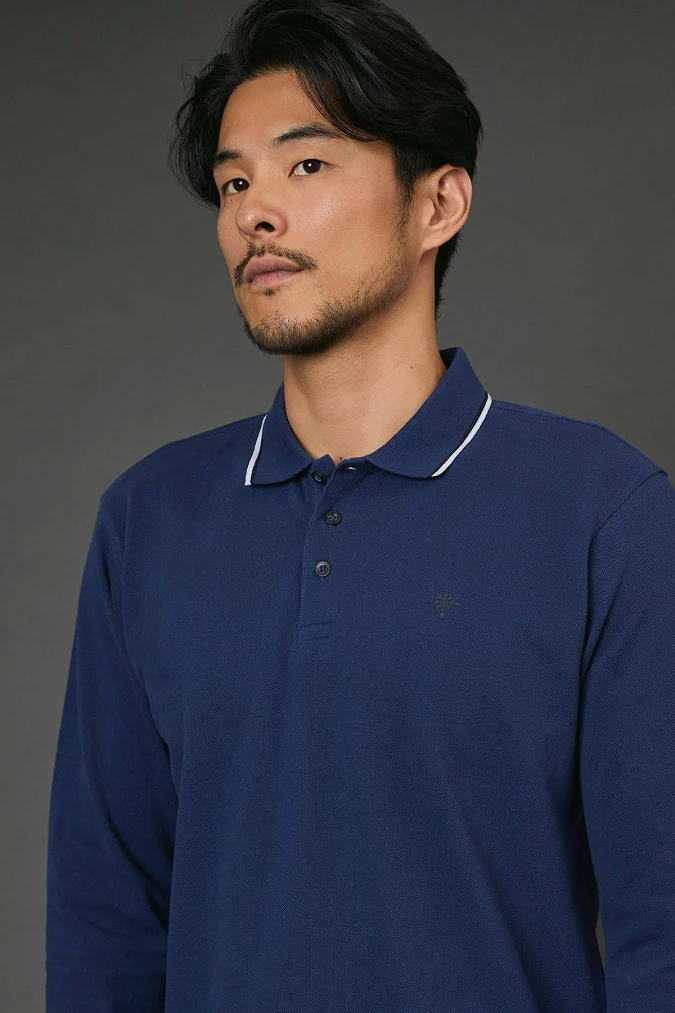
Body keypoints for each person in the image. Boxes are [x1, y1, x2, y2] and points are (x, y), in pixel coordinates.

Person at [45, 0, 675, 1010]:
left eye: (306, 164)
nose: (255, 213)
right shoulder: (148, 521)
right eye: (234, 182)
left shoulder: (604, 511)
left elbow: (663, 931)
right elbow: (104, 926)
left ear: (438, 204)